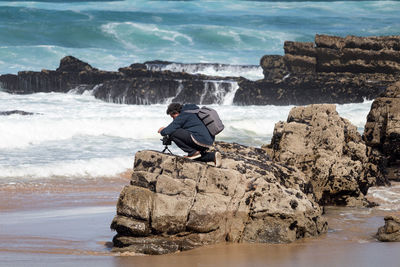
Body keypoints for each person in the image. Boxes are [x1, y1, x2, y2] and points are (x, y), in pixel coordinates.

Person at [158, 103, 221, 167]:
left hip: (199, 140)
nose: (173, 119)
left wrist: (162, 130)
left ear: (176, 113)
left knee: (172, 132)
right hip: (208, 142)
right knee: (195, 158)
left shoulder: (183, 115)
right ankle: (212, 156)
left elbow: (167, 131)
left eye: (173, 117)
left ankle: (192, 152)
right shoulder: (194, 111)